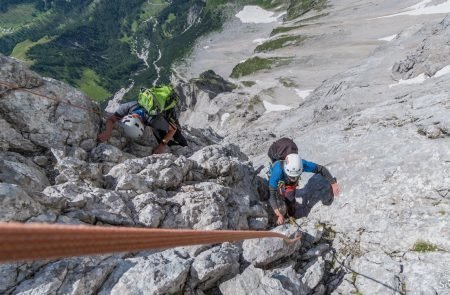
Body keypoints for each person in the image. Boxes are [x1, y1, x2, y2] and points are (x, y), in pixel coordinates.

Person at [267, 138, 340, 225]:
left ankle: (291, 216)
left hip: (287, 149)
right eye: (291, 177)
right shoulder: (277, 170)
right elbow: (272, 194)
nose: (293, 179)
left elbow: (321, 169)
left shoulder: (302, 164)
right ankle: (281, 188)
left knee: (290, 197)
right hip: (275, 151)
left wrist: (333, 183)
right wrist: (278, 214)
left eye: (295, 177)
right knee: (276, 185)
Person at [97, 85, 188, 154]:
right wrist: (108, 132)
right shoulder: (127, 107)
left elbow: (173, 129)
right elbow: (111, 119)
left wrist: (162, 145)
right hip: (153, 112)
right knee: (158, 134)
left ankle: (185, 145)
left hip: (167, 110)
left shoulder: (154, 121)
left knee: (170, 133)